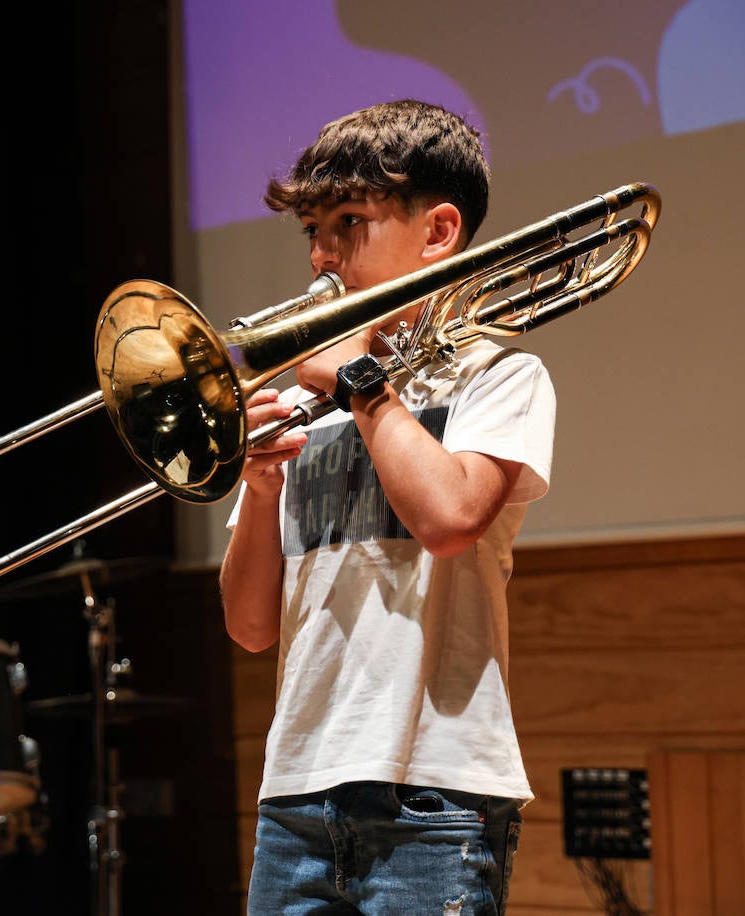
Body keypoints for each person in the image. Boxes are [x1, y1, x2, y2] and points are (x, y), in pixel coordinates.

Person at [219, 98, 556, 914]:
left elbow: (448, 521)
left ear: (437, 232)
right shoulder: (308, 402)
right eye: (311, 231)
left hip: (435, 797)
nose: (321, 260)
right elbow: (251, 626)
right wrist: (259, 492)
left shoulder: (499, 377)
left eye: (348, 223)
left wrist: (359, 385)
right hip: (296, 794)